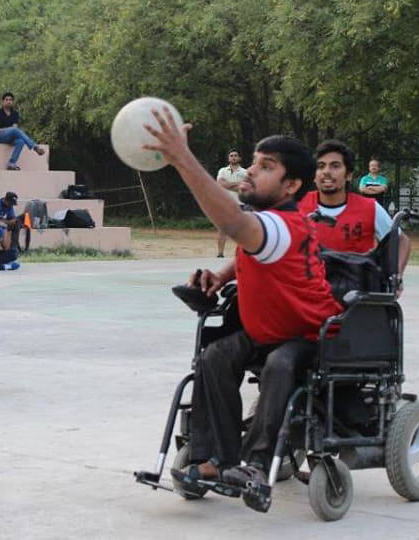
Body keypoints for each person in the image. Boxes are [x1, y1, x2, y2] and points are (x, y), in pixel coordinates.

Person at [142, 109, 342, 498]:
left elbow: (234, 223)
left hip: (310, 332)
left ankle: (256, 464)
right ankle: (213, 458)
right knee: (214, 356)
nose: (250, 170)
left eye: (265, 166)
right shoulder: (269, 219)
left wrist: (182, 157)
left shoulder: (282, 224)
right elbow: (252, 251)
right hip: (265, 330)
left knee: (280, 364)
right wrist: (223, 275)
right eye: (253, 161)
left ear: (291, 186)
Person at [299, 140, 410, 280]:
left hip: (355, 291)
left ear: (349, 174)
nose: (326, 171)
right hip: (309, 292)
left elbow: (401, 241)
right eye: (321, 166)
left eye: (335, 166)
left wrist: (396, 275)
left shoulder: (370, 208)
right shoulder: (297, 205)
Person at [0, 92, 45, 170]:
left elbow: (14, 129)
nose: (8, 101)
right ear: (2, 101)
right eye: (6, 100)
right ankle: (34, 146)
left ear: (12, 102)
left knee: (20, 141)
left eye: (10, 100)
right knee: (13, 130)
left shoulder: (15, 114)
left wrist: (9, 129)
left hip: (10, 137)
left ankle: (11, 163)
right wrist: (5, 129)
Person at [215, 149, 247, 257]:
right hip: (225, 203)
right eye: (231, 155)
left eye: (236, 155)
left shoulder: (245, 172)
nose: (233, 157)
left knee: (241, 230)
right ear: (228, 158)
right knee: (222, 229)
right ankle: (220, 253)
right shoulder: (222, 171)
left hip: (240, 204)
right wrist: (237, 185)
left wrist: (228, 184)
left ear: (239, 158)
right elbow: (220, 184)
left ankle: (241, 253)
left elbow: (245, 187)